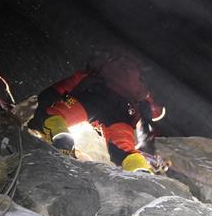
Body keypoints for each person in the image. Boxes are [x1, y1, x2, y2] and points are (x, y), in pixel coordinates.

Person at [28, 50, 166, 173]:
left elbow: (60, 89)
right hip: (124, 111)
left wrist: (49, 101)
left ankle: (62, 138)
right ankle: (140, 169)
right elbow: (150, 111)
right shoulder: (137, 81)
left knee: (54, 114)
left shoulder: (95, 74)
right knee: (124, 149)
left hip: (94, 97)